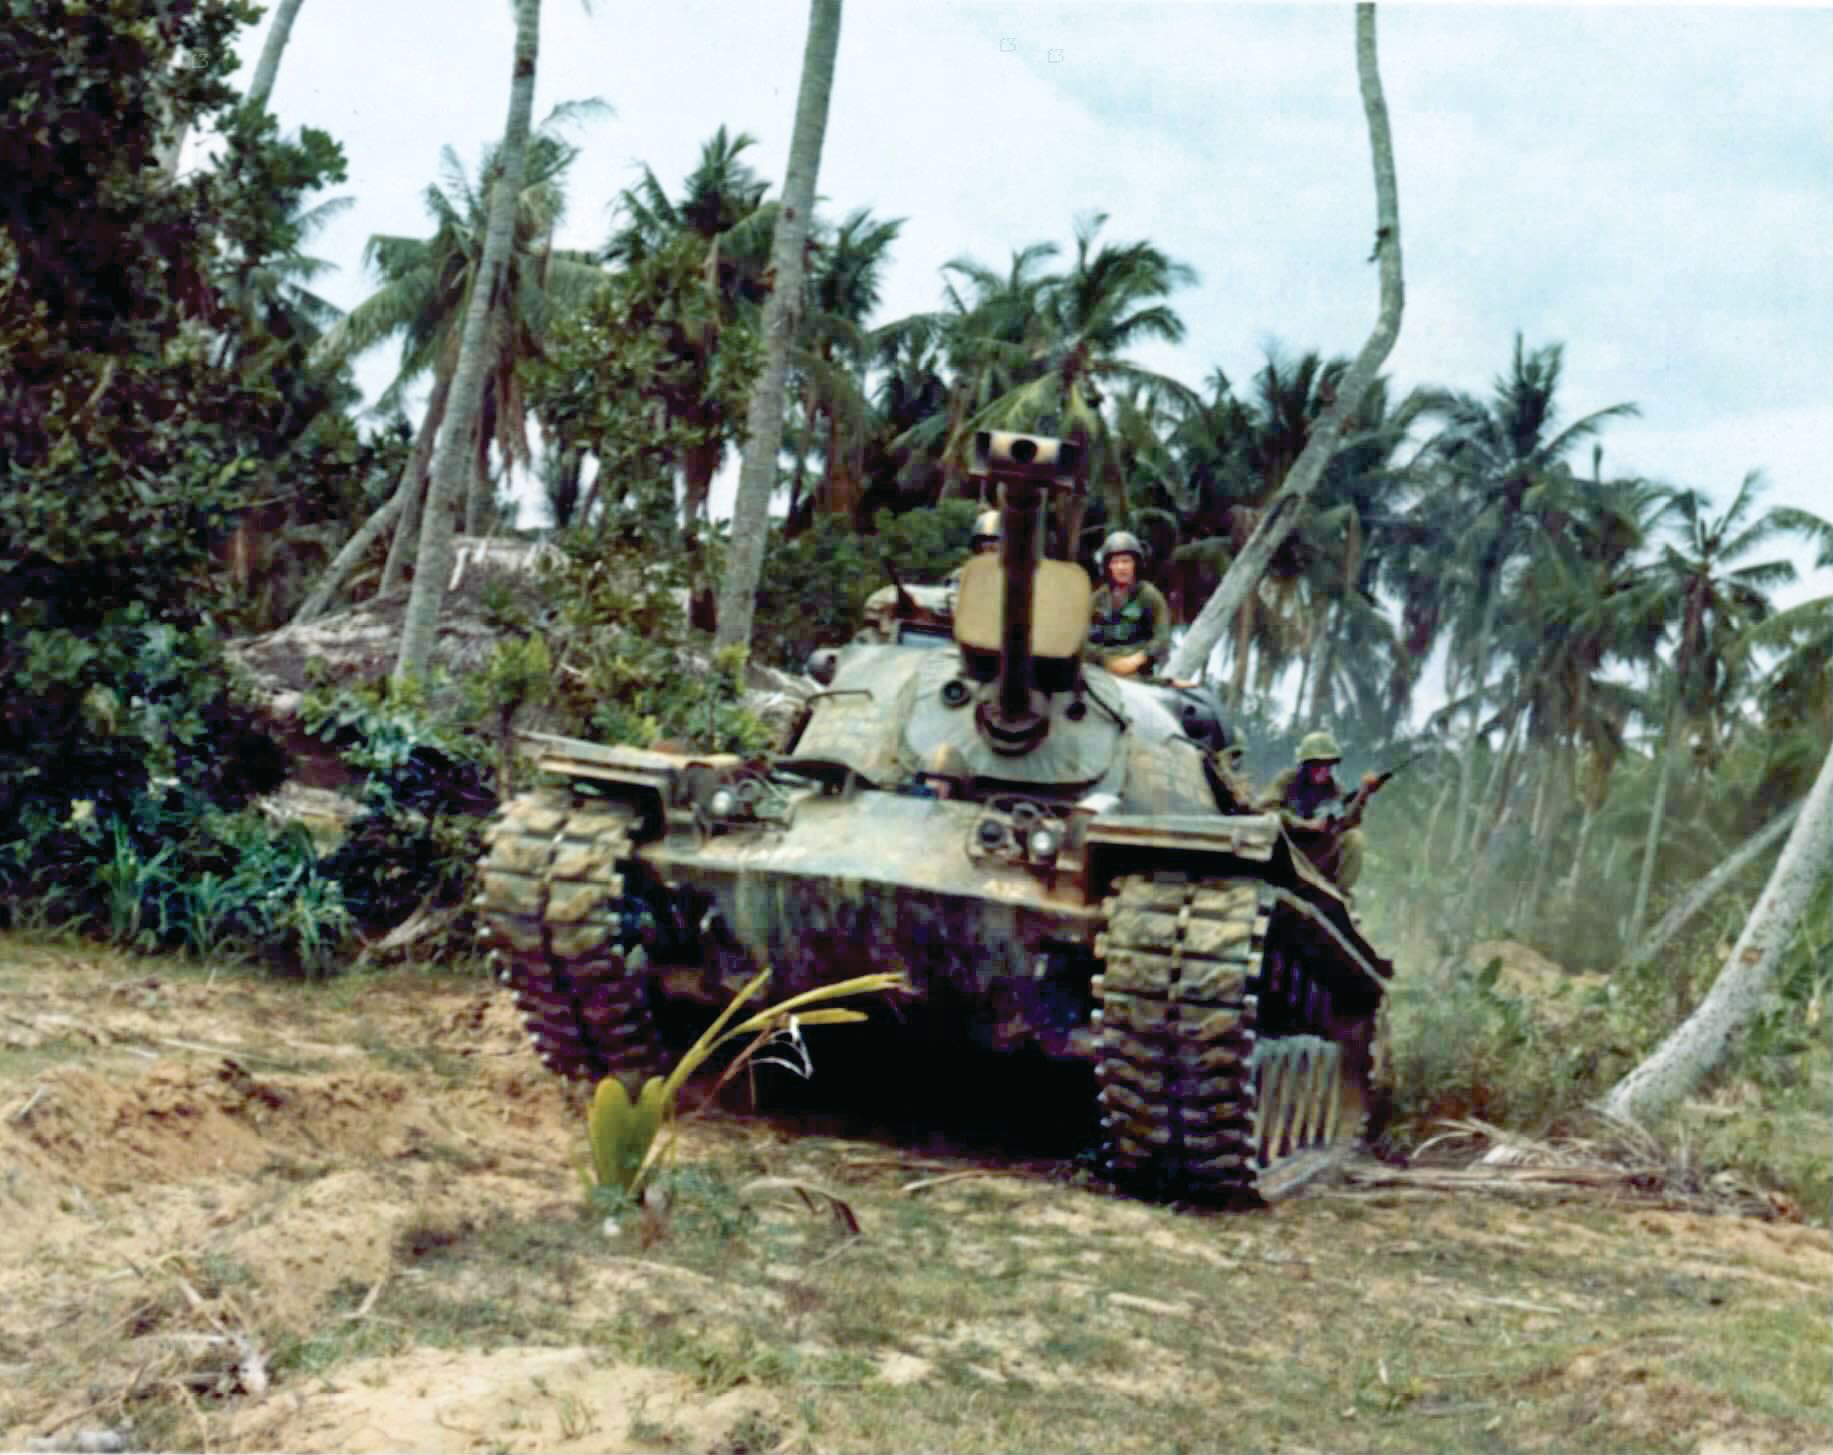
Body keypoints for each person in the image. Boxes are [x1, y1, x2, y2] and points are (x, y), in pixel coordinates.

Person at [1257, 731, 1372, 892]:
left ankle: (1335, 894)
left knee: (1354, 838)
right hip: (1283, 855)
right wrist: (1305, 825)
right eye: (1317, 764)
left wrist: (1362, 796)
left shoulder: (1334, 790)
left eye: (1328, 765)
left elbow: (1348, 823)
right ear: (1306, 764)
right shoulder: (1287, 781)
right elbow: (1265, 810)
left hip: (1314, 857)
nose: (1323, 770)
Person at [1087, 531, 1171, 678]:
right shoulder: (1099, 598)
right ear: (1108, 567)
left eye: (1126, 561)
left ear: (1135, 565)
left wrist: (1138, 659)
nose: (1121, 567)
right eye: (1115, 562)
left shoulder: (1148, 595)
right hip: (1102, 669)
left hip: (1138, 670)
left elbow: (1162, 638)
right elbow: (1082, 638)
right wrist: (1104, 660)